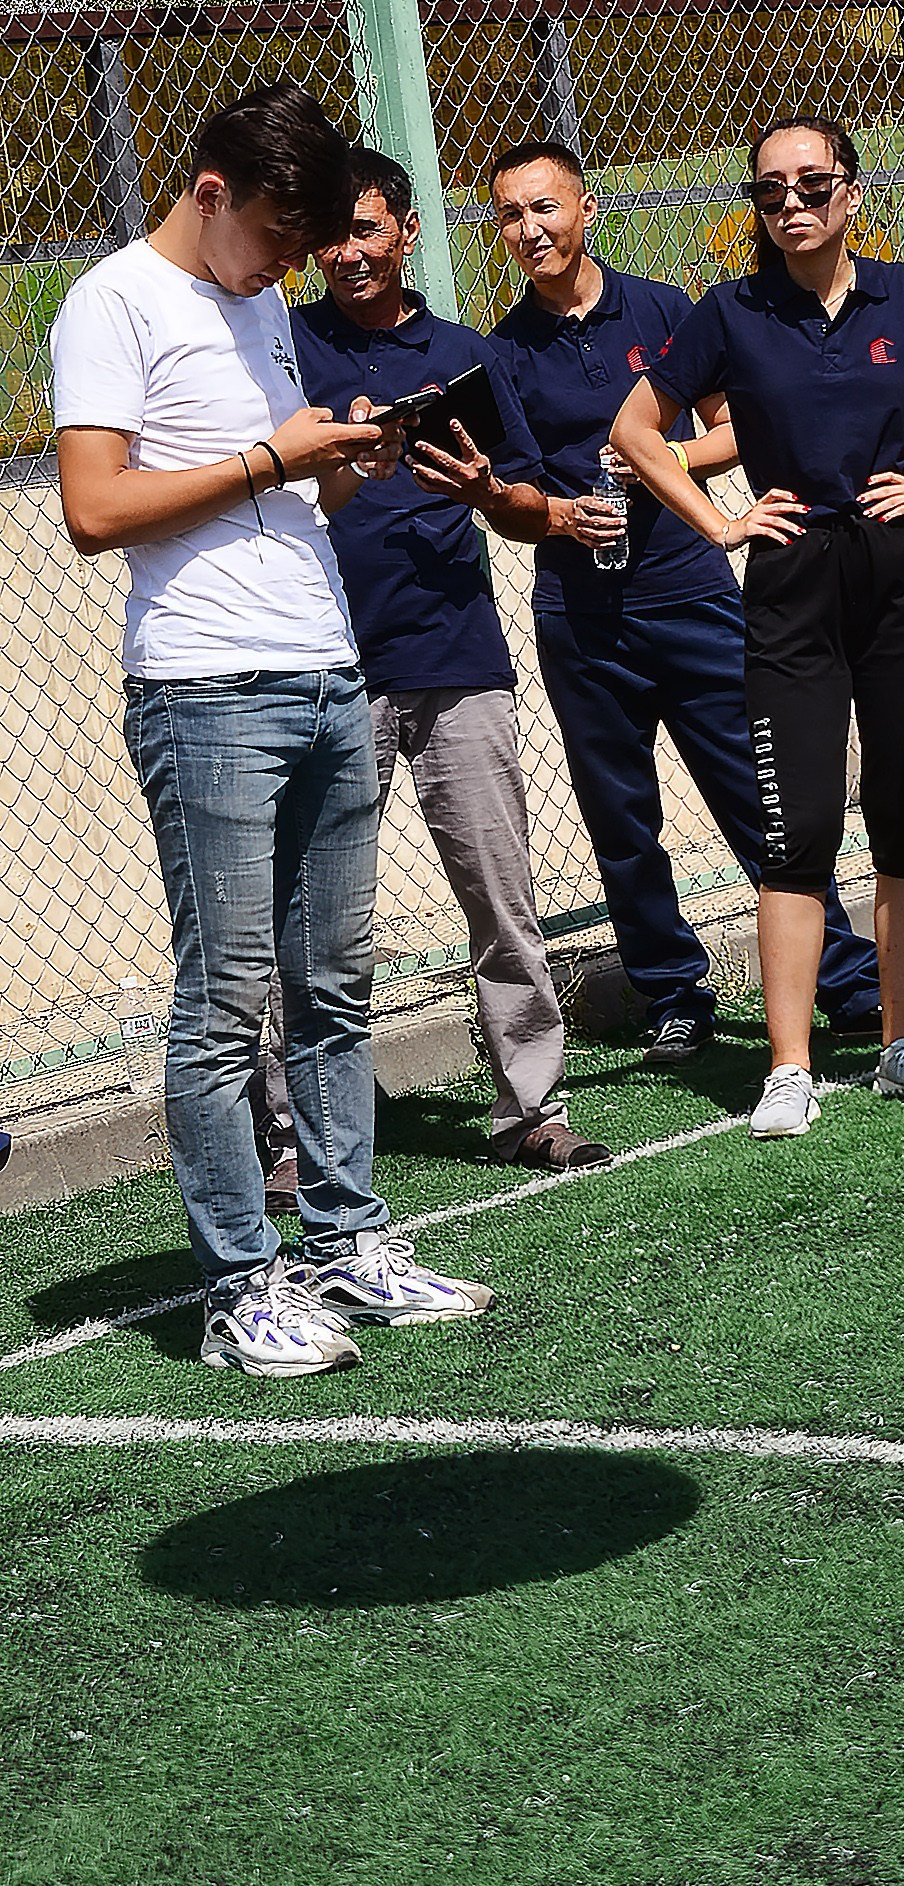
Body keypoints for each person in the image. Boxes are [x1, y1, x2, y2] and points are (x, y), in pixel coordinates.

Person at [50, 82, 490, 1376]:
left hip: (320, 666)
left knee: (334, 987)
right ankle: (239, 1284)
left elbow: (285, 475)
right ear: (210, 194)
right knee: (225, 1000)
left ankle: (349, 1243)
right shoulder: (112, 302)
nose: (296, 267)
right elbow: (92, 508)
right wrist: (267, 460)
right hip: (205, 689)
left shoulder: (255, 306)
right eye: (281, 239)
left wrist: (348, 456)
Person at [611, 116, 904, 1139]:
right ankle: (787, 1067)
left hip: (899, 572)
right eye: (769, 191)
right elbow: (634, 430)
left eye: (811, 185)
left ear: (852, 192)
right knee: (798, 829)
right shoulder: (728, 312)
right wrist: (720, 521)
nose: (790, 205)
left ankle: (902, 1047)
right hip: (787, 581)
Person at [485, 140, 881, 1063]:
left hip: (692, 593)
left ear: (587, 209)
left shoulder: (668, 312)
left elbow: (734, 432)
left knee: (761, 795)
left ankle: (848, 984)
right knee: (620, 816)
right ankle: (672, 995)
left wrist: (648, 466)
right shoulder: (501, 352)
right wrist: (557, 512)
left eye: (546, 207)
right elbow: (508, 495)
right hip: (582, 619)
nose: (530, 229)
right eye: (510, 215)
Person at [276, 146, 611, 1174]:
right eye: (329, 234)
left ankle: (530, 1108)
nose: (347, 252)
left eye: (366, 230)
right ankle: (293, 1134)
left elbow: (523, 511)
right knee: (313, 912)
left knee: (498, 893)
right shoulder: (280, 348)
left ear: (406, 232)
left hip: (457, 658)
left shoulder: (468, 354)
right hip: (325, 665)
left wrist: (482, 489)